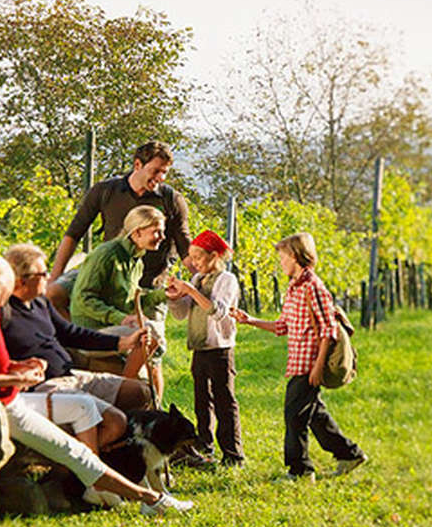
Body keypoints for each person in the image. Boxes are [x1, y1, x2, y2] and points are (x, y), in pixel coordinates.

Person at [0, 253, 192, 515]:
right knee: (75, 452)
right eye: (42, 274)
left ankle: (102, 489)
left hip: (20, 396)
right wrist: (18, 378)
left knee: (86, 407)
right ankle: (151, 499)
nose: (50, 279)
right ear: (2, 284)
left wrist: (18, 367)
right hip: (7, 404)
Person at [232, 232, 366, 481]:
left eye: (282, 257)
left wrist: (317, 367)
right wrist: (249, 320)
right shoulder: (294, 289)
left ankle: (301, 470)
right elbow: (283, 326)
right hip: (298, 362)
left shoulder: (313, 287)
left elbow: (328, 330)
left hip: (308, 364)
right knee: (313, 413)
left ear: (294, 256)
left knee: (294, 416)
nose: (280, 262)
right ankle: (349, 454)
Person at [0, 243, 154, 415]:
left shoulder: (39, 303)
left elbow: (72, 334)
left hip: (72, 375)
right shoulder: (3, 314)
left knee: (139, 392)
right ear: (22, 280)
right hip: (47, 387)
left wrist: (124, 342)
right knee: (114, 421)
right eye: (42, 274)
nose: (49, 276)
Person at [47, 140, 191, 310]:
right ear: (138, 164)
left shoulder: (171, 200)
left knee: (147, 335)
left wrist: (203, 281)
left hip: (147, 287)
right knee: (54, 293)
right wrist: (54, 277)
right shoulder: (105, 191)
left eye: (165, 172)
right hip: (106, 279)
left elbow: (185, 247)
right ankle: (76, 335)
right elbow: (74, 234)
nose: (161, 178)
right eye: (156, 171)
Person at [69, 205, 171, 404]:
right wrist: (122, 318)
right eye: (157, 231)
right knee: (150, 332)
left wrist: (165, 295)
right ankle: (126, 388)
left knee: (153, 332)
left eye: (163, 231)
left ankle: (147, 401)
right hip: (90, 332)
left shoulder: (136, 261)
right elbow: (83, 298)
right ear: (138, 231)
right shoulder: (107, 254)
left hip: (112, 330)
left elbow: (133, 302)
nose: (163, 236)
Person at [167, 230, 243, 467]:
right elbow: (181, 314)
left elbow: (217, 310)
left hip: (219, 348)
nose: (194, 263)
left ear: (214, 256)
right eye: (192, 257)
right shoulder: (197, 280)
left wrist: (190, 291)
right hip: (199, 346)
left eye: (199, 257)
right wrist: (173, 297)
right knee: (202, 400)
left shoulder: (226, 280)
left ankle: (233, 453)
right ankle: (204, 446)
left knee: (224, 400)